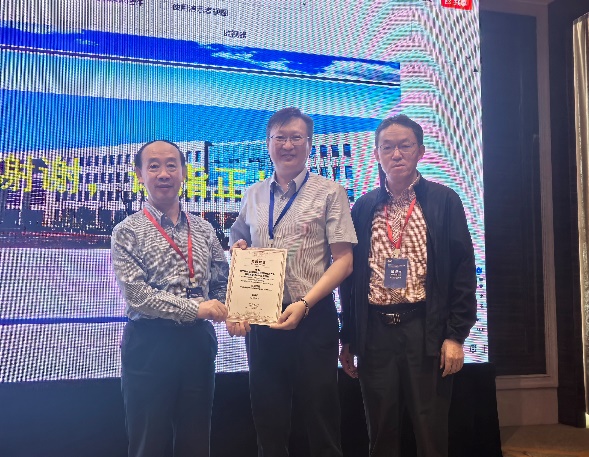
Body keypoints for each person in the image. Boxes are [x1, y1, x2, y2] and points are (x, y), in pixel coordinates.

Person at [339, 115, 477, 457]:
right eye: (388, 147)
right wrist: (349, 336)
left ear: (421, 151)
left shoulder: (445, 201)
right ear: (376, 154)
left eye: (405, 146)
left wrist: (455, 335)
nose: (396, 154)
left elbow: (462, 271)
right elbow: (351, 279)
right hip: (375, 334)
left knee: (430, 432)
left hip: (425, 330)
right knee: (381, 432)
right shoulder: (364, 206)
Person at [228, 107, 357, 457]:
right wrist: (238, 248)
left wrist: (305, 303)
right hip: (262, 317)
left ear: (309, 144)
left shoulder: (330, 192)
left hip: (312, 316)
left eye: (296, 138)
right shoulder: (253, 194)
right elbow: (238, 239)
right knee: (268, 418)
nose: (287, 145)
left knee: (321, 417)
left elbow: (344, 260)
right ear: (268, 142)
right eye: (280, 138)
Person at [111, 140, 229, 457]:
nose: (163, 173)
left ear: (184, 173)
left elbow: (222, 282)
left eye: (171, 165)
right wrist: (197, 309)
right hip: (149, 345)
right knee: (148, 442)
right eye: (154, 166)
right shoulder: (127, 231)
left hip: (197, 344)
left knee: (196, 441)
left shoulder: (204, 229)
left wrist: (234, 308)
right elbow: (138, 296)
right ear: (140, 175)